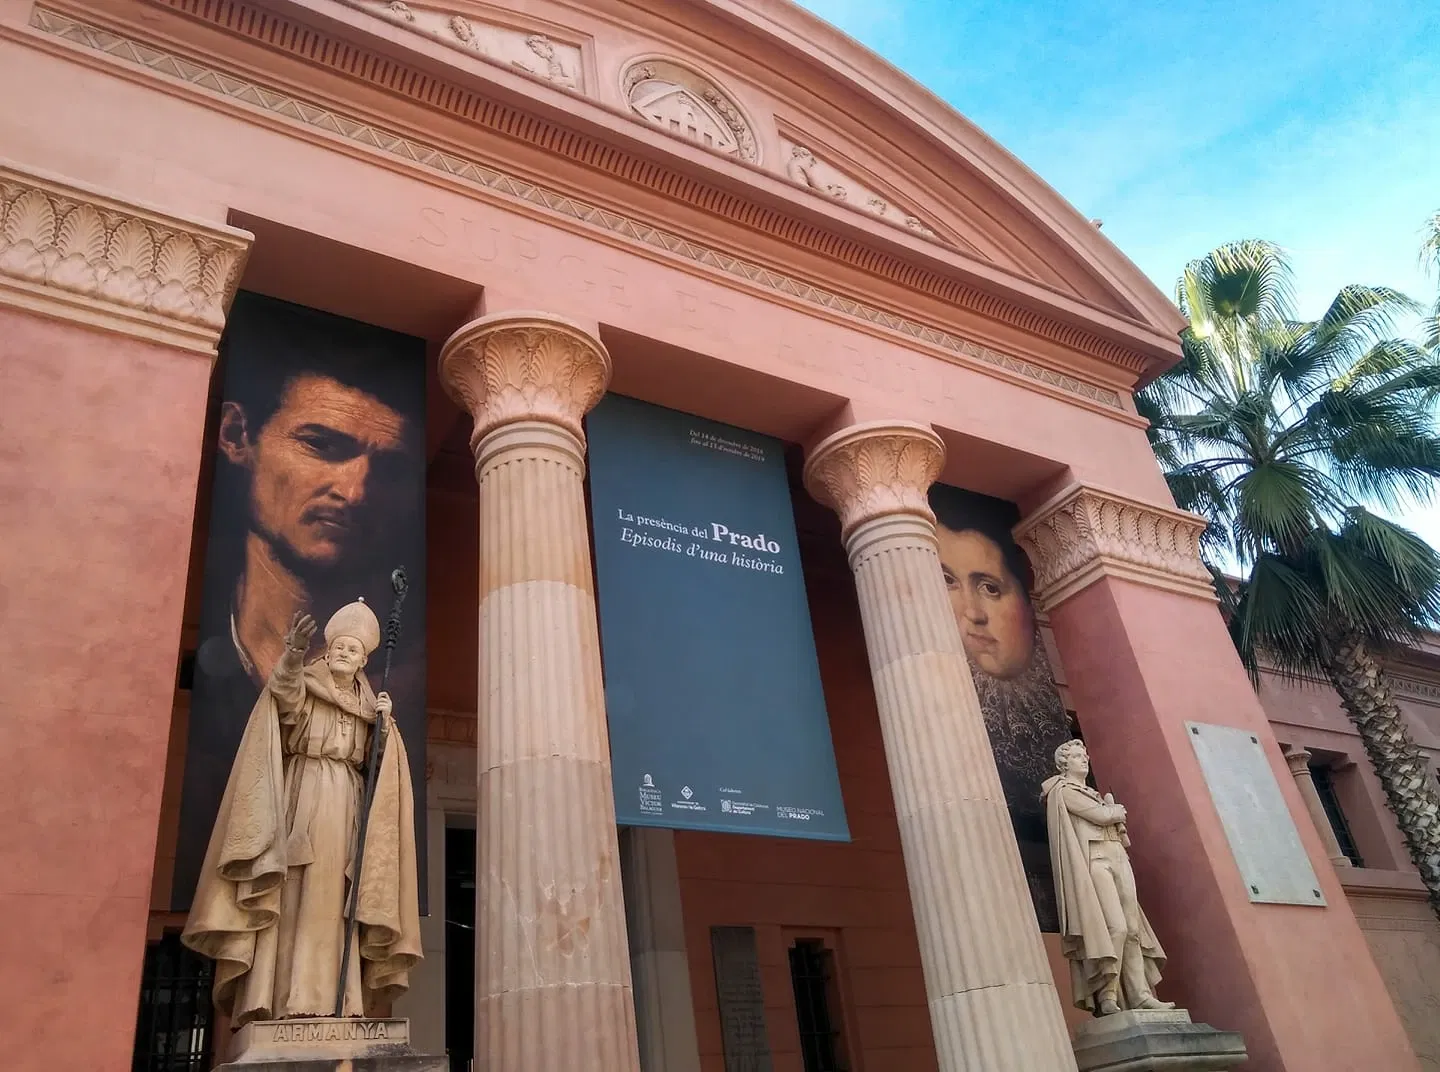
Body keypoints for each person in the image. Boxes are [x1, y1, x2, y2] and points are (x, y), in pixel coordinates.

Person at [173, 293, 424, 909]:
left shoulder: (391, 685)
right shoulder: (260, 671)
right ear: (237, 435)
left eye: (387, 468)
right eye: (323, 444)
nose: (355, 489)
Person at [183, 601, 422, 1023]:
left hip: (347, 801)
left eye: (353, 650)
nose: (345, 654)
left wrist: (386, 726)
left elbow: (379, 767)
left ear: (364, 660)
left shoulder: (371, 707)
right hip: (305, 793)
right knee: (295, 892)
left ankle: (340, 1001)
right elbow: (285, 697)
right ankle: (283, 1000)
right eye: (339, 647)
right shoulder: (307, 684)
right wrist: (292, 654)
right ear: (327, 652)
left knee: (339, 901)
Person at [1041, 739, 1173, 1015]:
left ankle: (1139, 994)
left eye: (1084, 755)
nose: (1084, 760)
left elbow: (1105, 816)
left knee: (1133, 929)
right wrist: (1116, 811)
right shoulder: (1063, 790)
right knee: (1116, 927)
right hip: (1096, 859)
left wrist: (1111, 813)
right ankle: (1107, 993)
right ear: (1064, 764)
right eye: (1077, 756)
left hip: (1116, 856)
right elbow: (1100, 816)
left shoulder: (1092, 792)